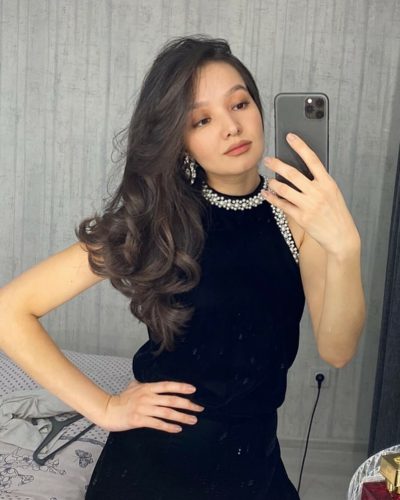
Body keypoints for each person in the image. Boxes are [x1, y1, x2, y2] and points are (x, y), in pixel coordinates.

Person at [0, 35, 365, 499]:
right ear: (181, 140)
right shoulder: (158, 221)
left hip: (253, 463)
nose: (231, 127)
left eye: (240, 104)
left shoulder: (297, 217)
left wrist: (345, 246)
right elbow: (10, 310)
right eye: (202, 119)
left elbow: (337, 350)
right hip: (155, 469)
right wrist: (106, 407)